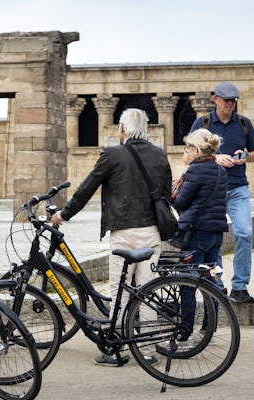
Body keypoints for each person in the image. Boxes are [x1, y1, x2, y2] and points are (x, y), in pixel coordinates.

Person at [50, 108, 170, 367]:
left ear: (123, 129)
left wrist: (65, 214)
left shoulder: (113, 154)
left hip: (124, 233)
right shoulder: (160, 154)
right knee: (147, 291)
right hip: (151, 231)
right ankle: (148, 351)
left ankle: (114, 350)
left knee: (120, 291)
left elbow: (87, 188)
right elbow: (165, 192)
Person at [190, 81, 254, 304]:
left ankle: (240, 286)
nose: (230, 104)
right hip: (212, 191)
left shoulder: (244, 123)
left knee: (245, 233)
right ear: (215, 99)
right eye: (226, 100)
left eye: (233, 100)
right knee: (213, 239)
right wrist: (214, 157)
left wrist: (245, 156)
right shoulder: (203, 123)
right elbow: (187, 157)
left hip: (238, 187)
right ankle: (217, 285)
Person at [170, 129, 228, 347]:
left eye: (187, 149)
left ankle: (184, 331)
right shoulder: (220, 170)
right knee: (212, 278)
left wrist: (177, 185)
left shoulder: (195, 171)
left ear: (195, 150)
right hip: (216, 234)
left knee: (188, 281)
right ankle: (209, 327)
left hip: (197, 235)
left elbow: (180, 203)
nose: (185, 152)